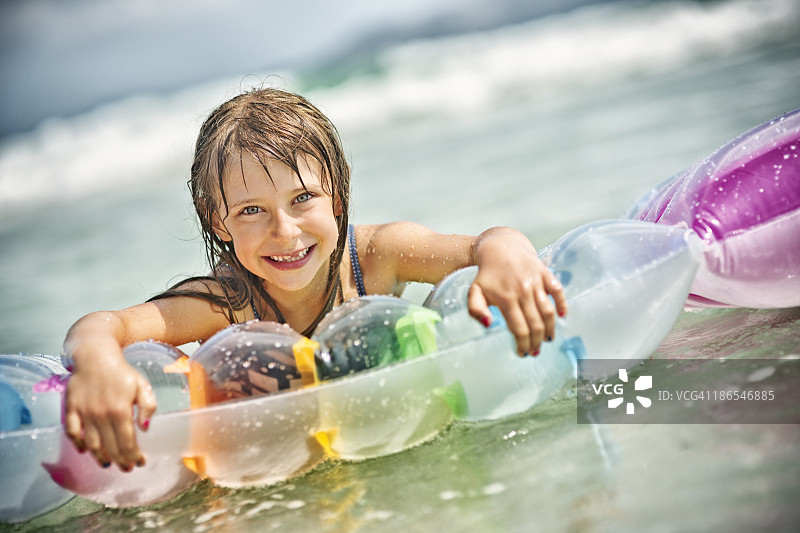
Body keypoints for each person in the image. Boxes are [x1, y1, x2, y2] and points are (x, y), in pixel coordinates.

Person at [62, 87, 568, 472]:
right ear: (218, 220)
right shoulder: (230, 302)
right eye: (251, 210)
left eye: (303, 199)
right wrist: (98, 366)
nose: (284, 232)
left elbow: (483, 245)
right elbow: (104, 325)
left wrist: (509, 254)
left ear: (338, 197)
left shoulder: (377, 257)